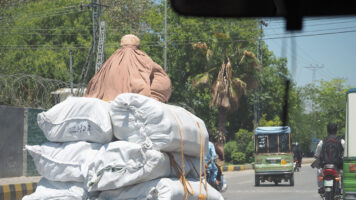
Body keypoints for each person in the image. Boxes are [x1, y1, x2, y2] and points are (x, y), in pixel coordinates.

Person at [84, 34, 172, 103]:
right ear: (138, 46)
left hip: (108, 104)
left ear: (121, 44)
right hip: (137, 105)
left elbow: (93, 84)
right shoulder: (144, 59)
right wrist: (154, 98)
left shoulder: (108, 62)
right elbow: (163, 83)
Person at [313, 122, 344, 194]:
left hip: (325, 165)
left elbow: (317, 153)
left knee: (319, 171)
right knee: (341, 174)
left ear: (327, 131)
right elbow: (346, 153)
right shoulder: (341, 141)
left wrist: (316, 156)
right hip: (337, 165)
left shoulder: (322, 141)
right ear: (337, 131)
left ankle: (321, 187)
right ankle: (339, 188)